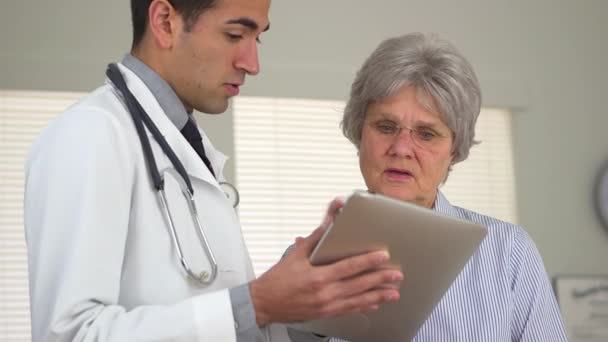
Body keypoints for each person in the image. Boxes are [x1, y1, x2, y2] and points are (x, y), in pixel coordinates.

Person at [23, 1, 403, 341]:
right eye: (235, 34)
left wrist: (308, 305)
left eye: (257, 39)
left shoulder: (187, 146)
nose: (251, 64)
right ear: (164, 21)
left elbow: (219, 321)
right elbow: (71, 335)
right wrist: (256, 303)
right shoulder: (91, 134)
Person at [329, 32, 568, 341]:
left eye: (426, 134)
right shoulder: (310, 260)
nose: (401, 148)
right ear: (360, 134)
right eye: (386, 127)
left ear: (455, 148)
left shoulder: (508, 253)